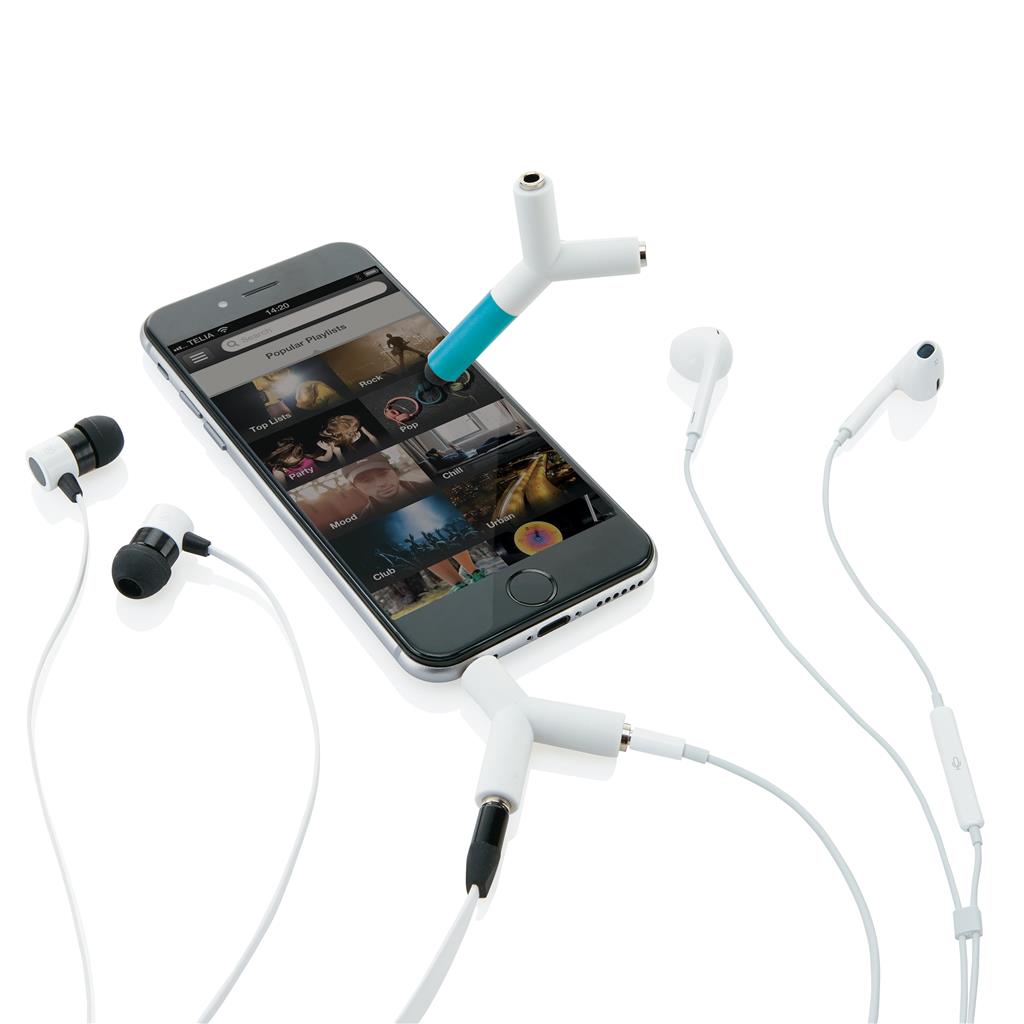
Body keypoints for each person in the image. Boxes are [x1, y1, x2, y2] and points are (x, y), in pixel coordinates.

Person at [341, 453, 432, 514]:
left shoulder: (430, 486)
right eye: (366, 480)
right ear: (355, 487)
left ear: (395, 471)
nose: (381, 483)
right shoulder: (365, 519)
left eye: (383, 474)